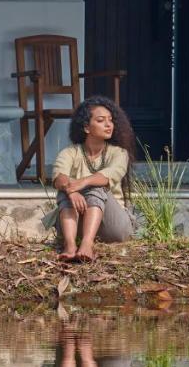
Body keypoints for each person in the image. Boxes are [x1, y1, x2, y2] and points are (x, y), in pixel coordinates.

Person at [52, 96, 135, 262]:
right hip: (77, 223)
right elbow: (58, 177)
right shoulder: (69, 152)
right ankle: (70, 245)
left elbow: (109, 175)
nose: (108, 125)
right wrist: (70, 190)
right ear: (86, 127)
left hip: (113, 226)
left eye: (110, 120)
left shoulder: (119, 153)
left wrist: (81, 183)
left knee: (96, 187)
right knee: (65, 190)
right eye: (101, 120)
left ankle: (87, 244)